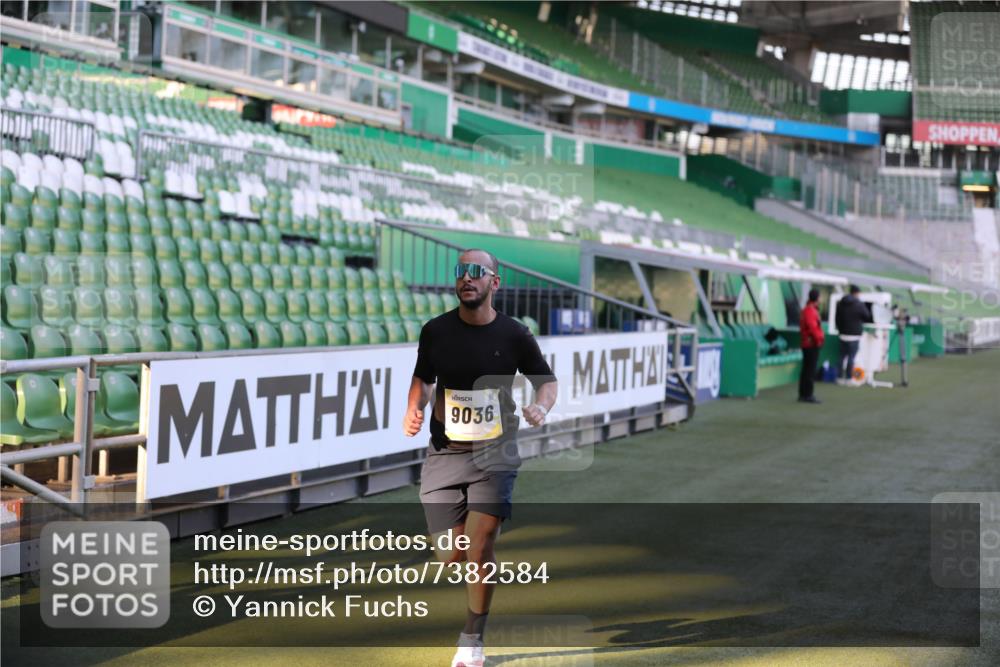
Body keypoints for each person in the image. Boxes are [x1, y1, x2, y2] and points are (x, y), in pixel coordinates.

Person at [403, 248, 559, 667]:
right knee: (449, 555)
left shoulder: (514, 334)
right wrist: (413, 407)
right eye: (460, 272)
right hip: (444, 453)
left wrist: (541, 407)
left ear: (495, 282)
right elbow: (422, 378)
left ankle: (472, 637)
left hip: (495, 452)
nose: (466, 279)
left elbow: (546, 382)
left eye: (476, 272)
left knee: (479, 543)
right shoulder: (435, 331)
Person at [834, 285, 873, 383]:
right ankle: (848, 378)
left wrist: (840, 330)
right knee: (851, 357)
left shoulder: (841, 303)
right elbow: (867, 316)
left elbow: (837, 319)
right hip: (854, 335)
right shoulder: (859, 304)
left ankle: (839, 377)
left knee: (841, 357)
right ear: (856, 293)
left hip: (842, 334)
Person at [798, 288, 825, 404]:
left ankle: (804, 394)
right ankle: (807, 395)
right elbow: (813, 328)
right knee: (809, 370)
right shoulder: (810, 311)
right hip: (811, 344)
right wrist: (819, 340)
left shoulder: (809, 310)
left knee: (807, 370)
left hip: (808, 343)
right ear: (817, 298)